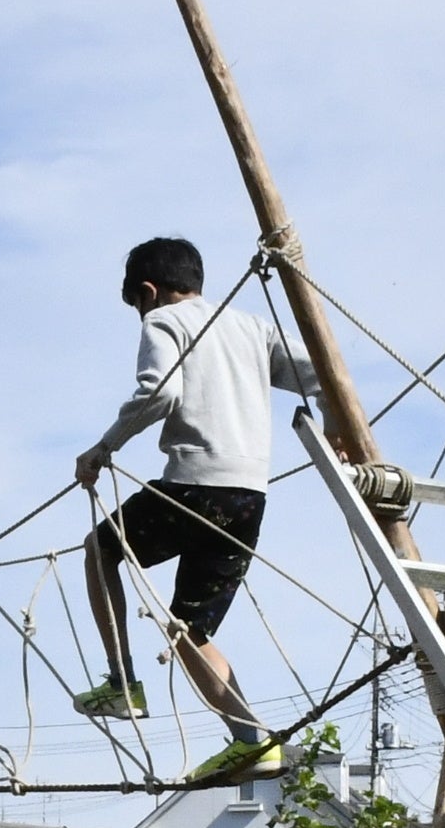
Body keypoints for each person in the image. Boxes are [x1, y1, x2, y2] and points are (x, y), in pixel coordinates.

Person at [69, 234, 318, 783]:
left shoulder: (163, 322)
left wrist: (102, 448)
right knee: (188, 629)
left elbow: (159, 394)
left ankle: (121, 683)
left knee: (99, 549)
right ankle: (253, 741)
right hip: (248, 498)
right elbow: (317, 373)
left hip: (193, 488)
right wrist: (341, 427)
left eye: (138, 303)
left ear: (149, 291)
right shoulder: (253, 327)